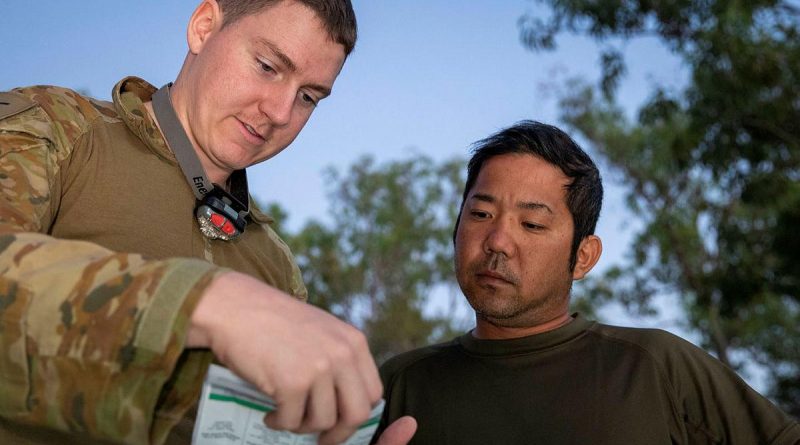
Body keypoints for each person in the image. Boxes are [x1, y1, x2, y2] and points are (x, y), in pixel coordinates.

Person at [0, 1, 416, 444]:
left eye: (308, 96)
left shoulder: (275, 264)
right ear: (203, 28)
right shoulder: (57, 128)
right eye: (267, 66)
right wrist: (205, 301)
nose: (279, 111)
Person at [373, 121, 800, 444]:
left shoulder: (654, 368)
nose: (498, 241)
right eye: (481, 215)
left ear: (583, 256)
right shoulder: (398, 386)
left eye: (533, 224)